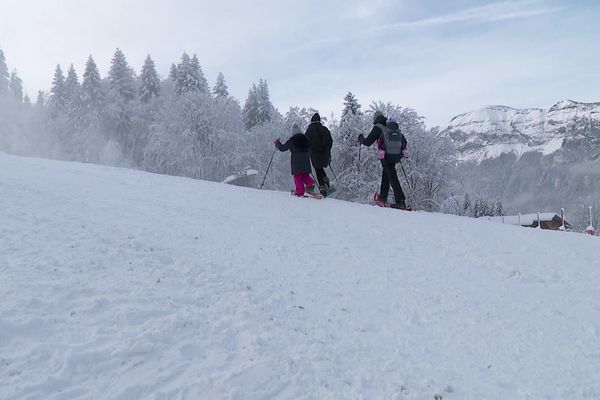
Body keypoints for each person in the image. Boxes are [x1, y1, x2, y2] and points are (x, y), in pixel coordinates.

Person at [358, 111, 408, 209]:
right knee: (387, 173)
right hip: (396, 154)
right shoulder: (391, 125)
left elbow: (368, 142)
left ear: (375, 118)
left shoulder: (378, 127)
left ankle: (400, 201)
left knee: (392, 176)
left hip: (386, 155)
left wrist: (361, 139)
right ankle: (382, 197)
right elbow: (403, 140)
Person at [274, 124, 316, 197]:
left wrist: (277, 143)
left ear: (293, 132)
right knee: (305, 174)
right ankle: (310, 183)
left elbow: (283, 148)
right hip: (306, 159)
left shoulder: (292, 140)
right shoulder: (306, 139)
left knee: (298, 176)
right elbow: (311, 149)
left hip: (296, 161)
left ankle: (300, 192)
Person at [305, 113, 333, 196]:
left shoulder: (309, 131)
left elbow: (306, 143)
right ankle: (327, 184)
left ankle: (323, 189)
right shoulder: (325, 129)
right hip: (325, 155)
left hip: (315, 155)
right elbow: (330, 142)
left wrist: (309, 151)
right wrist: (327, 150)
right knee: (321, 169)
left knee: (318, 170)